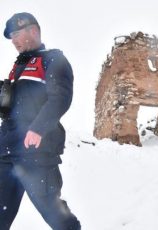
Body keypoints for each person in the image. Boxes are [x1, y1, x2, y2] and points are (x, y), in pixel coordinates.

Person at [0, 12, 81, 229]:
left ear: (33, 31)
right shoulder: (17, 68)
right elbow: (12, 108)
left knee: (54, 213)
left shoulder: (53, 59)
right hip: (6, 152)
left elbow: (61, 98)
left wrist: (38, 128)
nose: (14, 40)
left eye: (17, 33)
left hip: (35, 151)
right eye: (11, 37)